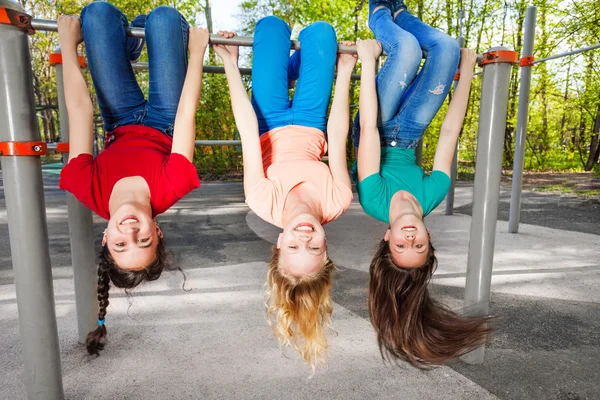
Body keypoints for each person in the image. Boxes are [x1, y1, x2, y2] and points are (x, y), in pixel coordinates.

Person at [57, 3, 207, 354]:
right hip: (166, 119)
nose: (132, 233)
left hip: (119, 117)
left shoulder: (84, 185)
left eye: (121, 244)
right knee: (164, 20)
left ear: (106, 236)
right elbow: (186, 115)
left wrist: (67, 46)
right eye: (144, 242)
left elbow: (80, 110)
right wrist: (197, 52)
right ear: (158, 232)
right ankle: (138, 38)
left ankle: (123, 43)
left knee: (96, 15)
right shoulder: (174, 186)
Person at [213, 17, 356, 371]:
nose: (305, 238)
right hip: (310, 119)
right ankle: (305, 65)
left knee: (272, 29)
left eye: (294, 247)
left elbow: (247, 131)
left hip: (267, 120)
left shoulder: (262, 201)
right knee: (322, 33)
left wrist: (230, 63)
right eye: (315, 248)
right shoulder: (337, 200)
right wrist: (345, 75)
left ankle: (293, 67)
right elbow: (337, 138)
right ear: (327, 250)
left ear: (278, 244)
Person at [354, 0, 492, 367]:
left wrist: (368, 64)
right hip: (411, 131)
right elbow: (449, 132)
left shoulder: (374, 201)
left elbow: (368, 128)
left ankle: (380, 11)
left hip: (377, 125)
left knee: (407, 51)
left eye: (402, 244)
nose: (411, 236)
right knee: (446, 47)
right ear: (430, 240)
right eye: (419, 244)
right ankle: (401, 13)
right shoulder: (433, 194)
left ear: (388, 239)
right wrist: (465, 71)